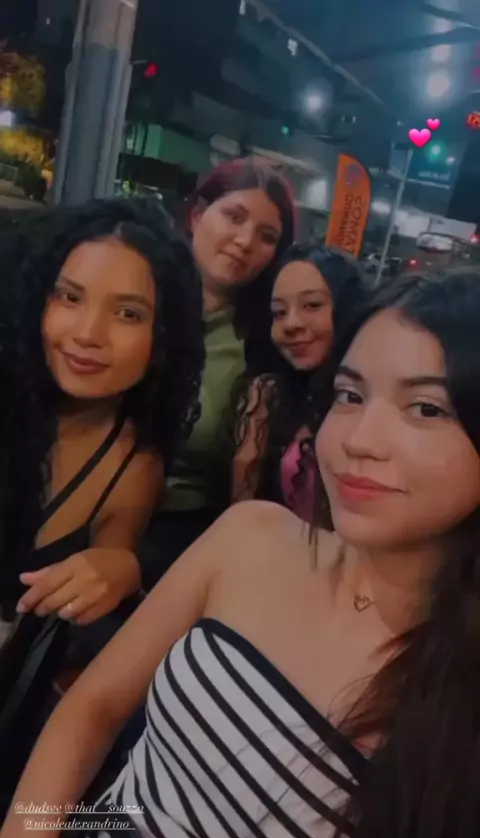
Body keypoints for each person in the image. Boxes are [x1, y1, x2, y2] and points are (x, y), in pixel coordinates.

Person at [3, 266, 480, 838]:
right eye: (350, 396)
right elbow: (94, 711)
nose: (359, 439)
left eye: (426, 408)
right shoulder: (252, 536)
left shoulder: (458, 687)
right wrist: (26, 835)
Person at [0, 197, 204, 805]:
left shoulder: (132, 467)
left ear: (161, 338)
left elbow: (106, 582)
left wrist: (123, 566)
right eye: (69, 297)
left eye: (128, 313)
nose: (88, 334)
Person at [140, 157, 295, 586]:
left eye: (267, 236)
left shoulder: (264, 347)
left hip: (174, 541)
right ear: (196, 215)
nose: (245, 241)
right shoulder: (130, 296)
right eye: (234, 217)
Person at [231, 243, 366, 521]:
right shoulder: (271, 396)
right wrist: (252, 444)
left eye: (312, 305)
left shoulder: (373, 402)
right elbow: (242, 512)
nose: (291, 324)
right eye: (279, 312)